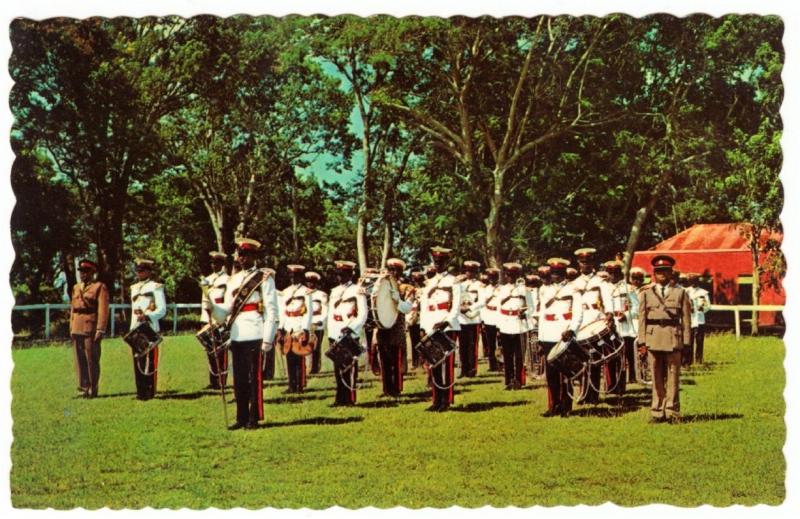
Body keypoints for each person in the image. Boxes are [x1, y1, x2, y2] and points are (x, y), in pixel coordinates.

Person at [211, 238, 278, 430]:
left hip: (255, 331)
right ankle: (241, 416)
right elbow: (226, 309)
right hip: (237, 333)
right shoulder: (233, 280)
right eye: (239, 254)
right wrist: (212, 307)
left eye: (245, 254)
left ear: (253, 256)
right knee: (239, 378)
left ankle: (253, 417)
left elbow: (272, 310)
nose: (241, 258)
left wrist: (268, 338)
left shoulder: (264, 278)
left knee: (253, 378)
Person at [637, 254, 691, 424]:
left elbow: (686, 320)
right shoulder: (646, 293)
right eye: (658, 271)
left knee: (673, 377)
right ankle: (657, 411)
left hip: (673, 338)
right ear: (653, 273)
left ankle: (672, 411)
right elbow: (642, 318)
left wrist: (687, 343)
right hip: (653, 339)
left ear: (671, 273)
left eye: (665, 271)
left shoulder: (680, 292)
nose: (662, 274)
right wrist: (642, 341)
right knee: (656, 376)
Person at [537, 258, 582, 417]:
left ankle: (566, 406)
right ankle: (553, 405)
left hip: (563, 332)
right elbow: (542, 315)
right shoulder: (545, 290)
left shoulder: (573, 289)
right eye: (553, 273)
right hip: (548, 332)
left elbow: (578, 313)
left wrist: (572, 329)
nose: (555, 276)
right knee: (551, 374)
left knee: (565, 372)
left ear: (564, 274)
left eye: (558, 273)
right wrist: (540, 338)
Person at [419, 246, 462, 412]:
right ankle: (436, 399)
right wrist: (423, 327)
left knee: (446, 365)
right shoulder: (429, 282)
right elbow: (425, 307)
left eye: (440, 261)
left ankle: (446, 399)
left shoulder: (453, 281)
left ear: (447, 262)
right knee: (433, 364)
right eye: (435, 261)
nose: (437, 264)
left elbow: (456, 306)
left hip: (446, 327)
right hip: (430, 325)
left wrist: (446, 322)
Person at [571, 248, 613, 404]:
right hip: (580, 322)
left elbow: (608, 299)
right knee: (581, 360)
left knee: (594, 360)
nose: (586, 265)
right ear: (578, 263)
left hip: (596, 320)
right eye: (583, 262)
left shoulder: (600, 281)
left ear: (593, 263)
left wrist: (609, 313)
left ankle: (593, 394)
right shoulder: (574, 283)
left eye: (588, 262)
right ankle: (583, 392)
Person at [327, 260, 368, 406]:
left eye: (343, 274)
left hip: (349, 331)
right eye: (338, 274)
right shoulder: (334, 291)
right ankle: (340, 398)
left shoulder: (358, 290)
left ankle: (349, 397)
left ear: (351, 274)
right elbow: (331, 313)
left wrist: (352, 328)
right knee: (338, 367)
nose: (340, 277)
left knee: (349, 367)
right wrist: (331, 334)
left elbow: (363, 313)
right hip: (335, 331)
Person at [69, 259, 109, 398]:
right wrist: (71, 326)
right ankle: (83, 387)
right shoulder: (76, 287)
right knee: (79, 359)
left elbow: (103, 309)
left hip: (90, 326)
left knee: (91, 358)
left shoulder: (99, 287)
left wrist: (100, 329)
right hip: (77, 327)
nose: (83, 274)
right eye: (81, 272)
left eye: (86, 272)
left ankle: (93, 387)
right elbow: (73, 309)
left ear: (92, 273)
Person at [375, 258, 415, 397]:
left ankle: (396, 388)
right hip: (382, 327)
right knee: (384, 359)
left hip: (396, 328)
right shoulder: (382, 285)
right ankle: (386, 389)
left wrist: (397, 299)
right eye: (390, 269)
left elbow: (407, 308)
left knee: (395, 359)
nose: (392, 272)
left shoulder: (406, 288)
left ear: (400, 272)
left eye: (395, 270)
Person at [129, 258, 167, 401]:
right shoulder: (134, 288)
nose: (139, 273)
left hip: (149, 327)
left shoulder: (155, 286)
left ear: (149, 271)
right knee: (137, 359)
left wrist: (148, 316)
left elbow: (162, 309)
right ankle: (140, 391)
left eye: (142, 270)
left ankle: (149, 391)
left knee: (150, 361)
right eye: (138, 270)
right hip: (136, 329)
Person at [495, 263, 535, 390]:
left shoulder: (524, 290)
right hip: (506, 323)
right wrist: (498, 326)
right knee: (507, 355)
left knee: (519, 356)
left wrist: (526, 313)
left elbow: (531, 307)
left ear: (518, 275)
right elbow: (498, 308)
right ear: (506, 275)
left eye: (513, 275)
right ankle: (508, 380)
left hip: (519, 324)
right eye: (508, 275)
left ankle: (519, 380)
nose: (511, 277)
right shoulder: (501, 289)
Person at [604, 260, 640, 389]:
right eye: (610, 272)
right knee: (608, 357)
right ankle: (610, 384)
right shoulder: (603, 287)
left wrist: (626, 315)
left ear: (620, 273)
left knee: (622, 357)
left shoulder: (628, 288)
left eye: (615, 272)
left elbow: (637, 307)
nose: (613, 275)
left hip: (623, 326)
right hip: (606, 325)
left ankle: (620, 386)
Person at [279, 264, 313, 394]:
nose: (293, 279)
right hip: (288, 326)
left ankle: (299, 385)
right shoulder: (286, 291)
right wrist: (281, 327)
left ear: (300, 277)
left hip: (299, 325)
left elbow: (308, 312)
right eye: (291, 276)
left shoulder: (306, 291)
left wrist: (305, 329)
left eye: (296, 276)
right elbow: (283, 311)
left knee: (299, 356)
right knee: (289, 356)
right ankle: (291, 385)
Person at [200, 251, 230, 389]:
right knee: (210, 350)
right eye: (212, 263)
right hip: (208, 318)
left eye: (216, 263)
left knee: (221, 349)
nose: (213, 265)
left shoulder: (228, 279)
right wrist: (204, 319)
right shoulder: (206, 280)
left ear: (222, 264)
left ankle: (221, 379)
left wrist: (225, 318)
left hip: (220, 317)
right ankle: (213, 380)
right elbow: (205, 301)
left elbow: (227, 301)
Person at [457, 260, 485, 378]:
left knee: (472, 345)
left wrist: (469, 308)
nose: (469, 273)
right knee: (462, 345)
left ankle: (472, 369)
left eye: (472, 271)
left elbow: (482, 301)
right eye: (467, 271)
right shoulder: (460, 284)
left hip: (473, 317)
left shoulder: (479, 285)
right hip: (461, 318)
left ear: (476, 272)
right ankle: (463, 369)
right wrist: (460, 308)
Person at [305, 271, 328, 374]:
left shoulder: (321, 295)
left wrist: (320, 321)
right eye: (308, 282)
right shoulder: (303, 293)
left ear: (316, 283)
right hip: (306, 323)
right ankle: (306, 367)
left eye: (312, 282)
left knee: (316, 347)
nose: (310, 284)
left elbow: (325, 310)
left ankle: (315, 368)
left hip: (317, 323)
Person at [480, 267, 501, 372]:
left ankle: (501, 364)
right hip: (488, 317)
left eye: (494, 277)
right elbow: (482, 304)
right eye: (491, 278)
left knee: (501, 343)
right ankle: (492, 365)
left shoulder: (502, 288)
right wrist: (483, 321)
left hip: (499, 316)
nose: (492, 280)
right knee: (490, 344)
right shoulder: (485, 289)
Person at [686, 273, 710, 365]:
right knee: (689, 341)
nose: (692, 283)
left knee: (699, 341)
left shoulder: (703, 292)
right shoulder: (686, 291)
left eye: (694, 280)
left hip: (700, 319)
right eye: (691, 281)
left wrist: (703, 309)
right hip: (690, 320)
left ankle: (699, 360)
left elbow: (708, 305)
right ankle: (689, 360)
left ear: (697, 281)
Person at [406, 271, 425, 368]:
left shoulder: (425, 290)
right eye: (415, 280)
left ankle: (423, 361)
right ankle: (415, 362)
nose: (416, 282)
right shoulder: (410, 290)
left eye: (418, 280)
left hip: (422, 318)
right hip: (413, 317)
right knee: (414, 341)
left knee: (423, 341)